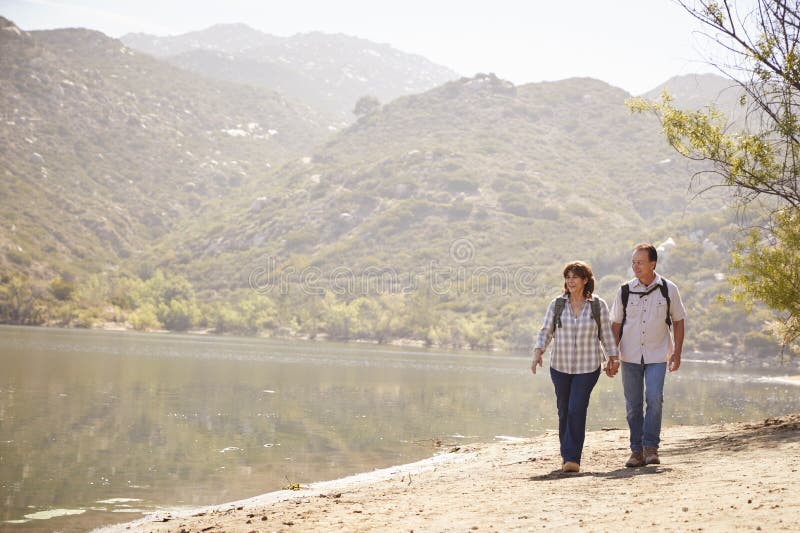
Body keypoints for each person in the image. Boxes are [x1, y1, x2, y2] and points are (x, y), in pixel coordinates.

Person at [532, 261, 619, 473]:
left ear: (585, 280)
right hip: (560, 366)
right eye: (567, 276)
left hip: (588, 367)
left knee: (576, 408)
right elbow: (546, 330)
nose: (570, 280)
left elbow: (606, 334)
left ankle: (572, 458)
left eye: (575, 277)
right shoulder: (557, 304)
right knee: (563, 410)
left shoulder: (597, 305)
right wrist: (538, 352)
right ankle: (567, 455)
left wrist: (613, 358)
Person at [610, 243, 686, 468]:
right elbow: (615, 324)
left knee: (654, 398)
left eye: (640, 262)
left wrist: (678, 352)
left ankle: (651, 448)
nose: (635, 266)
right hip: (629, 355)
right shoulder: (624, 290)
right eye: (633, 262)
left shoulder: (668, 289)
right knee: (633, 404)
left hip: (658, 354)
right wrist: (612, 356)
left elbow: (679, 320)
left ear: (652, 264)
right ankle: (636, 451)